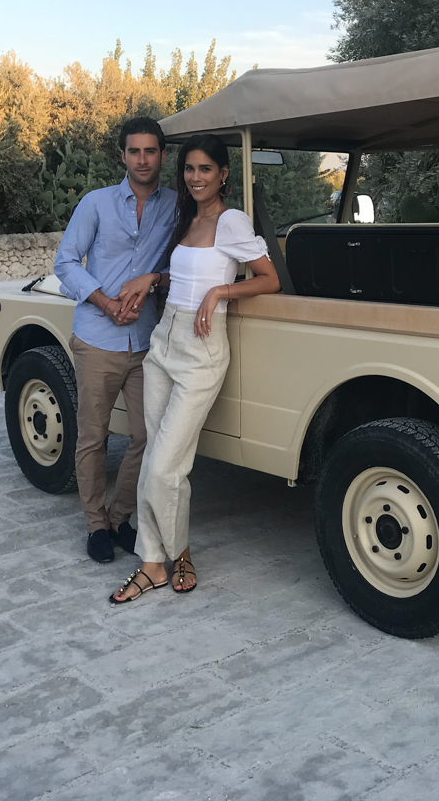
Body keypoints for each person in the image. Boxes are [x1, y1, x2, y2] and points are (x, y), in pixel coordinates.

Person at [110, 133, 280, 603]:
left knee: (163, 465)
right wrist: (154, 276)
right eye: (189, 169)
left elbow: (270, 279)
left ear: (223, 174)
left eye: (206, 169)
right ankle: (157, 563)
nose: (196, 177)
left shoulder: (231, 221)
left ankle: (172, 554)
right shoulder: (186, 217)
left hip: (202, 349)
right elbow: (186, 273)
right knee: (163, 463)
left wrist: (221, 292)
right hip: (163, 340)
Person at [53, 117, 176, 565]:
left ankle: (121, 517)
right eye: (134, 151)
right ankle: (95, 525)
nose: (143, 159)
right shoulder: (96, 203)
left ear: (162, 155)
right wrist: (106, 302)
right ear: (122, 156)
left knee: (146, 436)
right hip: (98, 338)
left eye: (151, 151)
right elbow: (65, 262)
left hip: (146, 342)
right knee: (93, 437)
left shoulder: (176, 208)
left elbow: (187, 263)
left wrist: (154, 279)